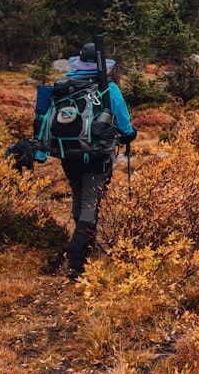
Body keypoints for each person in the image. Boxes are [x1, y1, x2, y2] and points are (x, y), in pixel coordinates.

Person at [60, 41, 136, 279]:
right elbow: (126, 127)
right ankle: (76, 261)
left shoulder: (64, 85)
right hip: (96, 155)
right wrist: (129, 134)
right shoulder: (108, 89)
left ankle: (82, 243)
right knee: (90, 204)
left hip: (67, 152)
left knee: (78, 196)